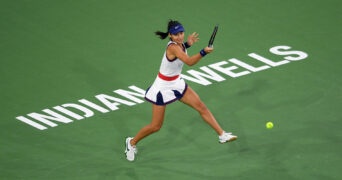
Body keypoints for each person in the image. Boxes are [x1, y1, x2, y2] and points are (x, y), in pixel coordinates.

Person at [125, 20, 237, 161]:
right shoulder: (173, 48)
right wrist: (203, 52)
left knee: (201, 106)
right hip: (162, 88)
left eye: (181, 33)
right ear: (170, 36)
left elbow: (181, 49)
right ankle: (131, 142)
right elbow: (189, 62)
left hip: (176, 83)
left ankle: (222, 134)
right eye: (176, 34)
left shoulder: (179, 45)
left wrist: (188, 44)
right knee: (156, 126)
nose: (180, 36)